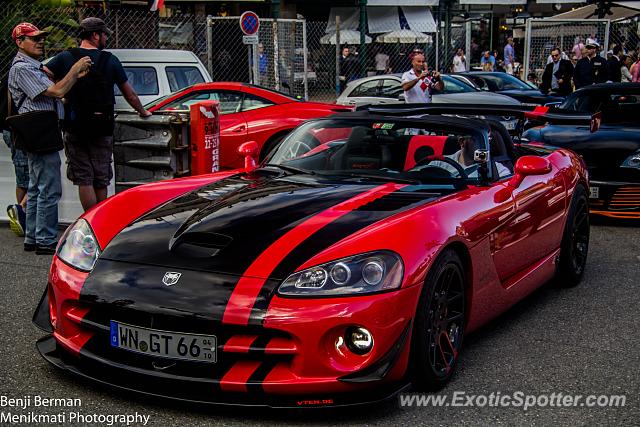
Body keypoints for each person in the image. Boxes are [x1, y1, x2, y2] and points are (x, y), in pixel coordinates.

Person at [45, 17, 151, 212]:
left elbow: (43, 74)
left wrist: (59, 93)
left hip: (74, 125)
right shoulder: (110, 60)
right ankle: (100, 220)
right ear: (95, 35)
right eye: (104, 35)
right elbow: (130, 94)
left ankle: (89, 221)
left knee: (83, 178)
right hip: (102, 126)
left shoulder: (65, 57)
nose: (106, 39)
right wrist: (144, 112)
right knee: (101, 178)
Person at [8, 22, 91, 254]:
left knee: (36, 187)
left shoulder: (32, 67)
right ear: (20, 42)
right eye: (34, 38)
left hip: (39, 130)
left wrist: (72, 78)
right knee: (49, 188)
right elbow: (57, 92)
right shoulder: (23, 68)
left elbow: (57, 93)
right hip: (40, 131)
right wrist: (75, 70)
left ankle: (33, 237)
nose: (40, 41)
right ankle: (45, 239)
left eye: (41, 37)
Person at [2, 75, 28, 236]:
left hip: (11, 128)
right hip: (19, 130)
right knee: (31, 175)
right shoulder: (22, 72)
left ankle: (21, 213)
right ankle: (21, 211)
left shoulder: (9, 75)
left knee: (23, 176)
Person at [427, 135, 511, 178]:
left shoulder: (496, 169)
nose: (484, 144)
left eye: (487, 139)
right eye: (476, 139)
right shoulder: (439, 164)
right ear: (462, 142)